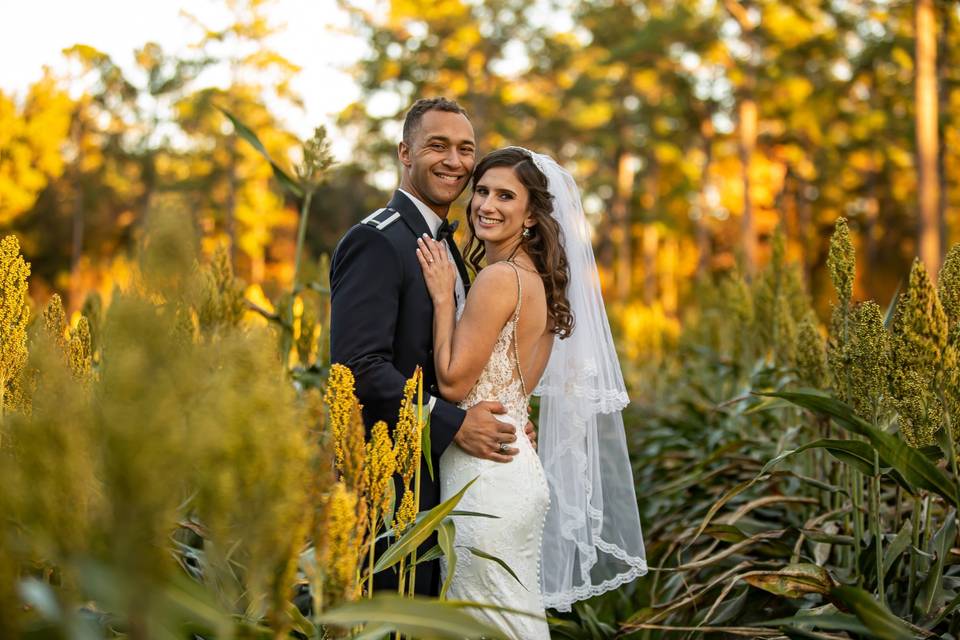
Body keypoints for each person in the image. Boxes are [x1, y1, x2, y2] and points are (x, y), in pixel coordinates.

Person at [416, 147, 647, 638]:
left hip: (485, 475)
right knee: (509, 619)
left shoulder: (499, 279)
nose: (486, 205)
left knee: (486, 622)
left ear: (531, 215)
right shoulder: (539, 281)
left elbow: (455, 382)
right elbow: (517, 387)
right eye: (481, 191)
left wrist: (441, 300)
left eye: (506, 196)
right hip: (515, 466)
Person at [328, 98, 535, 596]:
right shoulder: (377, 241)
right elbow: (359, 367)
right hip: (390, 486)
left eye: (466, 149)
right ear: (405, 152)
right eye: (437, 146)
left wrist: (505, 414)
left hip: (446, 485)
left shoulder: (454, 251)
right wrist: (457, 423)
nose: (454, 161)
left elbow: (454, 361)